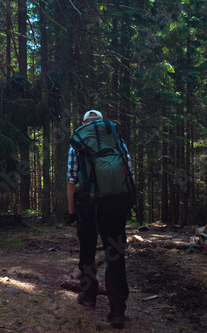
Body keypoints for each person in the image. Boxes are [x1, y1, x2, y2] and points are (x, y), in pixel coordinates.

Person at [66, 110, 134, 329]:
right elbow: (129, 173)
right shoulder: (116, 140)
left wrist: (71, 212)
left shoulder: (77, 142)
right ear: (103, 123)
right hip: (115, 204)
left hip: (87, 205)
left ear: (84, 123)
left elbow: (70, 179)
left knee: (86, 250)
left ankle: (89, 295)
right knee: (115, 254)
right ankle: (117, 311)